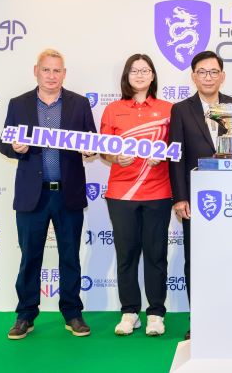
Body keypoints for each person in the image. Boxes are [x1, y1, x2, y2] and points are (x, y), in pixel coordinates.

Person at [0, 49, 97, 340]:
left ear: (64, 73)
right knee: (30, 256)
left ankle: (72, 313)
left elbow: (91, 141)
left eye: (57, 71)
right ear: (36, 71)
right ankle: (25, 315)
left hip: (68, 194)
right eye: (46, 70)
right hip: (32, 195)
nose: (52, 76)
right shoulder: (19, 104)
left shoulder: (79, 104)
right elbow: (4, 143)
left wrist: (90, 149)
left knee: (70, 256)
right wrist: (13, 147)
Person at [168, 50, 232, 340]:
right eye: (202, 72)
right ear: (193, 76)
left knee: (230, 259)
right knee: (197, 260)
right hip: (196, 201)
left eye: (214, 72)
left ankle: (229, 318)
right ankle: (198, 320)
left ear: (222, 76)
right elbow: (176, 156)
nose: (208, 77)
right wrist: (179, 197)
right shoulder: (181, 110)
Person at [99, 54, 173, 336]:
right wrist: (116, 157)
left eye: (145, 70)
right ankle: (130, 311)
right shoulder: (113, 109)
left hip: (158, 192)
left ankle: (156, 312)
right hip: (122, 193)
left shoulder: (169, 109)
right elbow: (104, 149)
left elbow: (176, 148)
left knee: (156, 254)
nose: (140, 75)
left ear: (153, 76)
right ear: (126, 76)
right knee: (126, 254)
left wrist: (162, 156)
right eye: (134, 70)